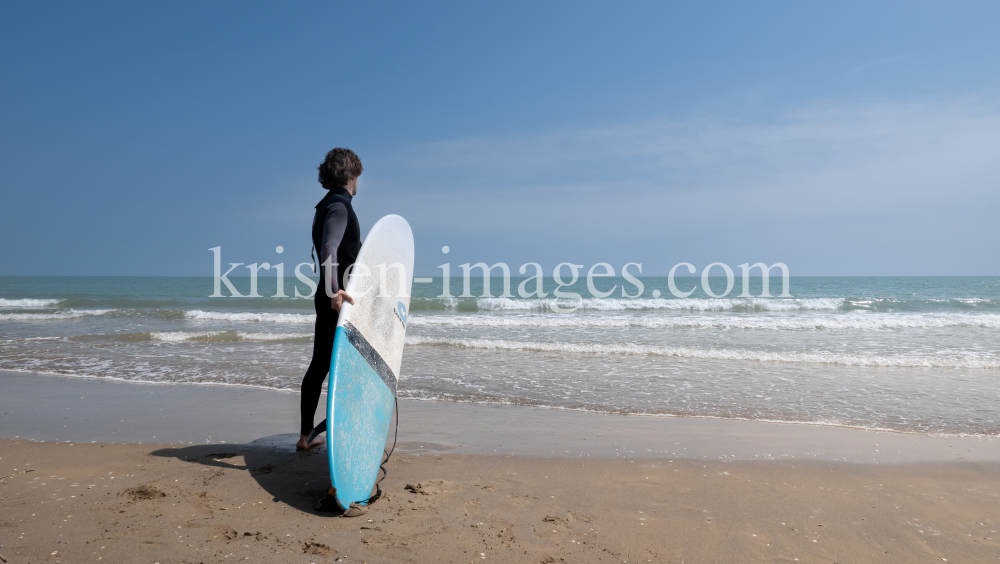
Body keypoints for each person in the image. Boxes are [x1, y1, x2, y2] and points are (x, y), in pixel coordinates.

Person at [297, 148, 363, 450]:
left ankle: (305, 436)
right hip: (339, 299)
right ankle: (343, 434)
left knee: (321, 365)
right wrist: (336, 291)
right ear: (351, 174)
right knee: (344, 366)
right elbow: (329, 248)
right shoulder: (339, 206)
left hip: (329, 296)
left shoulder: (324, 205)